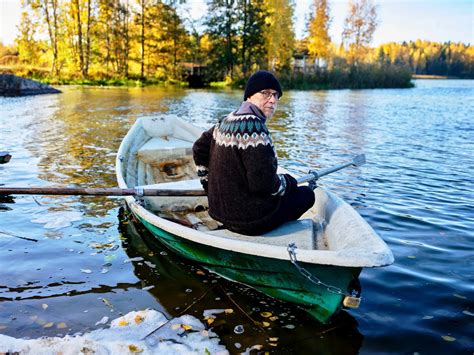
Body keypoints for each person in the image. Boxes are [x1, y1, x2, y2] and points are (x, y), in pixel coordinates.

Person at [192, 70, 315, 235]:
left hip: (218, 212)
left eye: (276, 95)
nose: (272, 100)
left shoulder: (226, 120)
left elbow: (199, 148)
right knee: (307, 195)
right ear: (249, 96)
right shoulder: (255, 127)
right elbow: (263, 185)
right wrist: (288, 182)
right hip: (249, 221)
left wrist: (210, 187)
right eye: (265, 93)